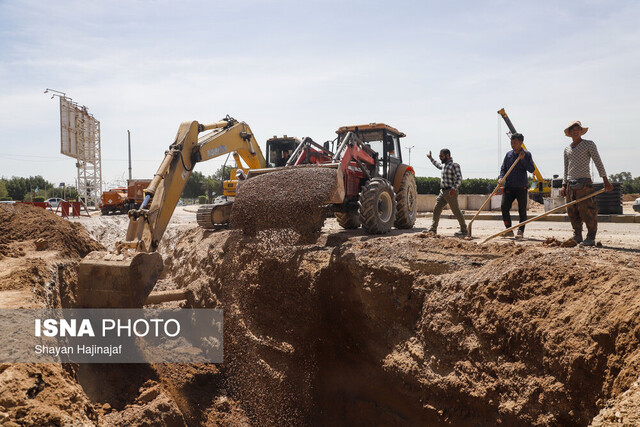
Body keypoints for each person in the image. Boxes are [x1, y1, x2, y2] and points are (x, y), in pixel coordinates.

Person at [561, 120, 613, 246]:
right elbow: (566, 168)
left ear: (581, 131)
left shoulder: (589, 145)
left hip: (584, 183)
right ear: (570, 132)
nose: (575, 131)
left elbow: (598, 162)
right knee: (572, 211)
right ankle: (577, 235)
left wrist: (605, 181)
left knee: (587, 210)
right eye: (573, 129)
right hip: (570, 184)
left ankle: (590, 237)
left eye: (577, 129)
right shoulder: (567, 149)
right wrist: (564, 185)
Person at [498, 133, 535, 239]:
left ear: (521, 143)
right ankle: (508, 229)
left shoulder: (527, 154)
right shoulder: (508, 155)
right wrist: (501, 177)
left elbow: (531, 169)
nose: (512, 145)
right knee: (504, 206)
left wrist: (523, 159)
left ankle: (520, 230)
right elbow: (503, 168)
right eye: (511, 142)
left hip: (521, 187)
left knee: (522, 209)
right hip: (509, 186)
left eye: (515, 143)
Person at [427, 148, 467, 236]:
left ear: (447, 156)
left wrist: (454, 188)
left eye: (441, 156)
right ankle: (433, 229)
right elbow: (437, 164)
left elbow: (459, 178)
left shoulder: (454, 165)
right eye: (439, 156)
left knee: (456, 211)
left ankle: (464, 229)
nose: (440, 158)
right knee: (436, 209)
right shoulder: (444, 165)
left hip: (450, 192)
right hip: (443, 192)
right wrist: (431, 158)